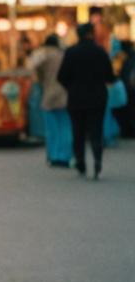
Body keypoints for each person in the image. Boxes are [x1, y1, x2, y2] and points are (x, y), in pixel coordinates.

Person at [57, 22, 115, 179]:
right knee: (96, 131)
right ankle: (97, 160)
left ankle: (81, 162)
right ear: (91, 34)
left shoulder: (71, 52)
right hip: (97, 98)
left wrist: (72, 86)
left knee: (78, 132)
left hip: (76, 98)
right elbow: (110, 76)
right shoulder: (100, 52)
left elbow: (61, 76)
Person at [26, 33, 71, 166]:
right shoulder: (63, 55)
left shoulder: (43, 54)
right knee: (65, 127)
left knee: (51, 128)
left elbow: (32, 67)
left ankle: (53, 154)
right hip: (65, 94)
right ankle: (65, 155)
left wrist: (40, 80)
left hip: (48, 94)